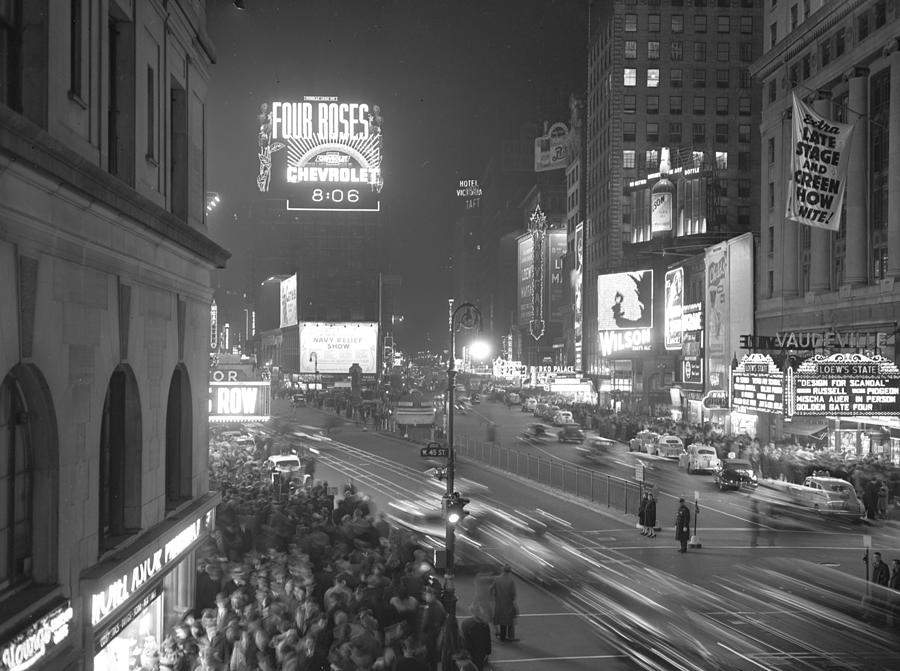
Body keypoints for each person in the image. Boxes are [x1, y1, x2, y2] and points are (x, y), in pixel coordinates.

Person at [490, 564, 518, 642]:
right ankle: (510, 636)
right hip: (508, 603)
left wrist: (494, 597)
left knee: (502, 620)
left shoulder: (497, 579)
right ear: (510, 571)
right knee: (509, 620)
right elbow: (513, 594)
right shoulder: (511, 581)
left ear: (502, 570)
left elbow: (490, 589)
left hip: (499, 603)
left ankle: (503, 637)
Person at [460, 604, 492, 671]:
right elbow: (487, 640)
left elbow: (463, 640)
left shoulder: (465, 623)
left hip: (469, 653)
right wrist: (488, 652)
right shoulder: (485, 624)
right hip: (481, 653)